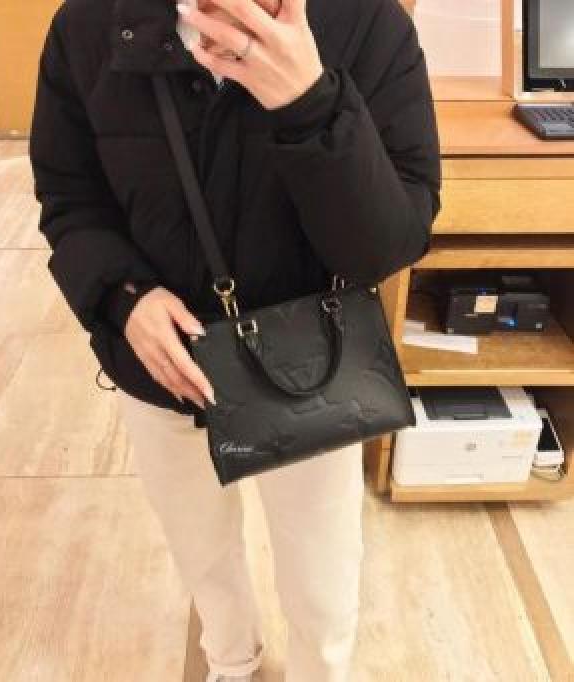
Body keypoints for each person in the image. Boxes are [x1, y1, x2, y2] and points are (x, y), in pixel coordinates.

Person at [28, 0, 441, 680]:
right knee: (200, 547)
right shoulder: (88, 25)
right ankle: (231, 660)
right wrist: (123, 296)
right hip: (164, 364)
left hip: (311, 365)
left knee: (321, 570)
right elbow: (70, 197)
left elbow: (388, 244)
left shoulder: (366, 22)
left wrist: (310, 103)